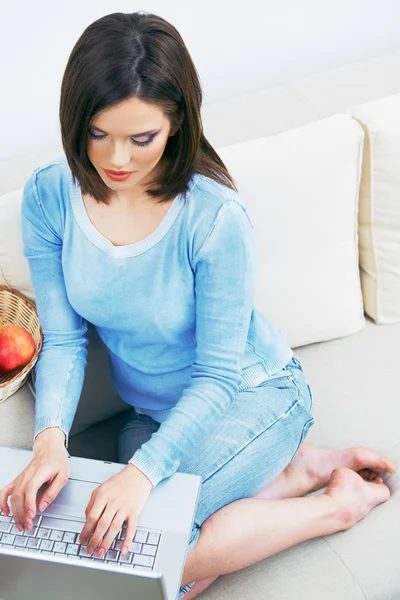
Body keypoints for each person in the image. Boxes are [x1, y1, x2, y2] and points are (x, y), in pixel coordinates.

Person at [0, 11, 397, 600]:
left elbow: (217, 373)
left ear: (177, 125)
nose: (117, 160)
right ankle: (296, 472)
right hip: (149, 415)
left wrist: (142, 474)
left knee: (147, 564)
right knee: (125, 549)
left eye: (143, 139)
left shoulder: (215, 219)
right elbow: (62, 339)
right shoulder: (48, 196)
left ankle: (337, 506)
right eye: (97, 133)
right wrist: (50, 438)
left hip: (252, 394)